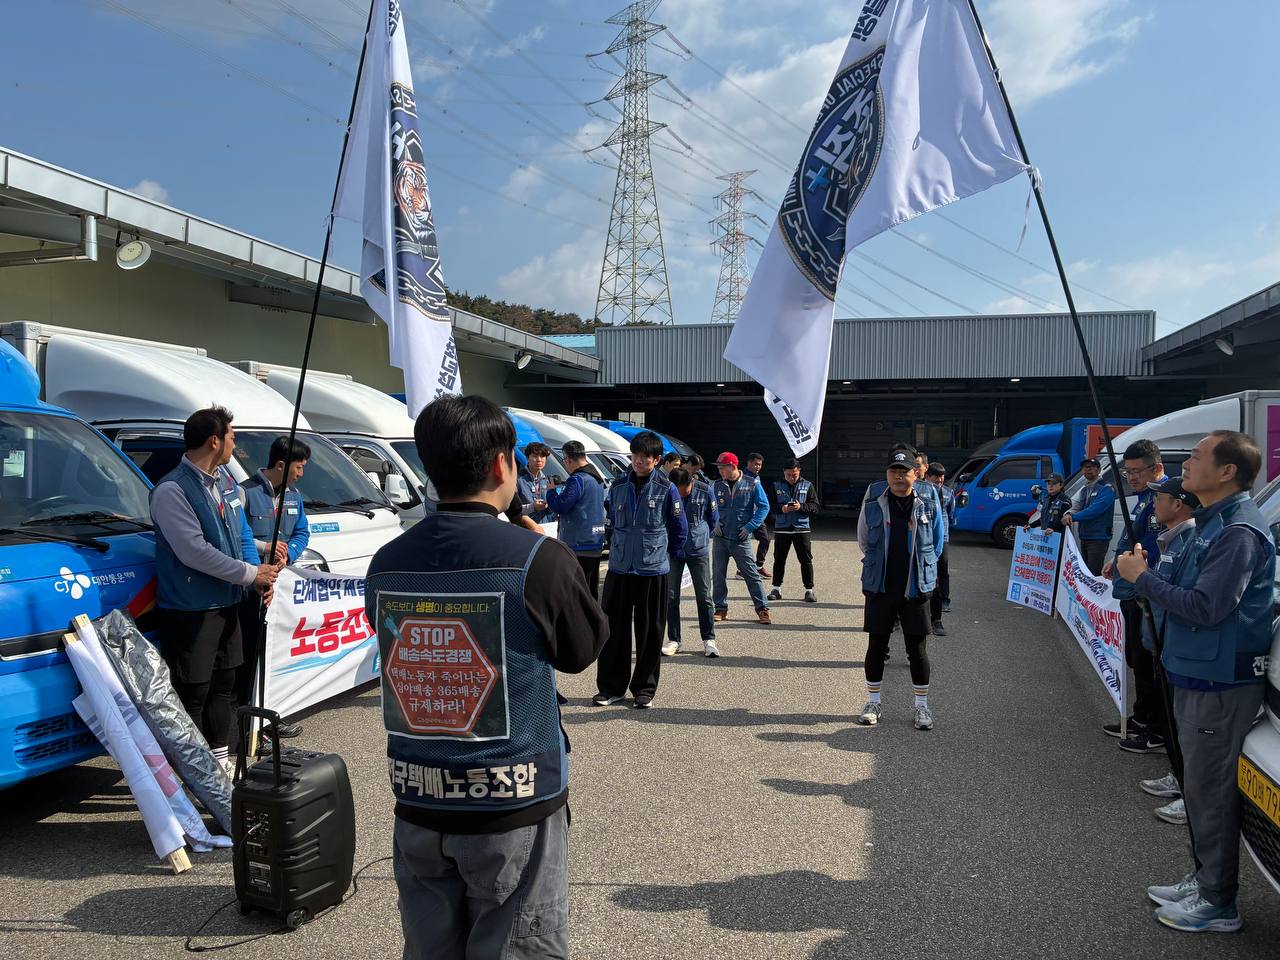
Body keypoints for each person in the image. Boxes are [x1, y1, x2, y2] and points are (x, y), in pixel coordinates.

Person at [365, 395, 608, 960]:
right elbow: (580, 652)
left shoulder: (386, 561)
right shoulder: (538, 558)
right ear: (502, 466)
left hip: (418, 795)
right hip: (514, 799)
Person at [1118, 430, 1276, 933]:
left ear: (1228, 471)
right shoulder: (1211, 523)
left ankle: (1218, 902)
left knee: (1208, 792)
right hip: (1194, 671)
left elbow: (1208, 607)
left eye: (1199, 456)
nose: (1185, 464)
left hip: (1219, 681)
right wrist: (1148, 576)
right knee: (1201, 787)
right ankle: (1205, 877)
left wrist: (1143, 580)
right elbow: (1183, 590)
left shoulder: (1237, 533)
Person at [149, 407, 278, 774]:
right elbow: (194, 552)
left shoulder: (227, 484)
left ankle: (219, 761)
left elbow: (241, 537)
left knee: (225, 684)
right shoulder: (172, 490)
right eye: (232, 437)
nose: (235, 444)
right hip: (190, 609)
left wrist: (260, 576)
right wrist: (249, 574)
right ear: (214, 441)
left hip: (228, 603)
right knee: (193, 691)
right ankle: (190, 769)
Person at [594, 430, 688, 708]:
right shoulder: (619, 486)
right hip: (620, 569)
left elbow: (679, 530)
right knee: (613, 630)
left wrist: (661, 556)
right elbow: (611, 521)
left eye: (644, 457)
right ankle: (611, 688)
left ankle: (644, 689)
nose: (638, 461)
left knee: (650, 632)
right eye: (634, 455)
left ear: (657, 459)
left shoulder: (667, 489)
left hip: (652, 571)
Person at [856, 448, 946, 730]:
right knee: (876, 645)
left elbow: (938, 541)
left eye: (904, 471)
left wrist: (923, 567)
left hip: (916, 586)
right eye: (893, 471)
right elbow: (863, 537)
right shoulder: (873, 494)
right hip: (881, 585)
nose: (898, 477)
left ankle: (922, 707)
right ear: (887, 474)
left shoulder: (929, 496)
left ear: (914, 474)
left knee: (917, 649)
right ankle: (873, 701)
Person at [1133, 476, 1201, 828]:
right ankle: (1178, 775)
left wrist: (1142, 577)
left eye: (1159, 498)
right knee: (1176, 719)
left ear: (1178, 504)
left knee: (1189, 726)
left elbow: (1186, 598)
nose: (1153, 505)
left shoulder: (1191, 538)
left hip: (1176, 642)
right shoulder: (1171, 539)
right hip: (1161, 639)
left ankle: (1191, 794)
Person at [237, 435, 312, 740]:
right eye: (299, 467)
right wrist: (264, 547)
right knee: (248, 660)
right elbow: (234, 539)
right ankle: (247, 728)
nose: (301, 473)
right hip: (249, 592)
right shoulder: (244, 493)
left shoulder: (294, 497)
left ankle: (268, 718)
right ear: (281, 464)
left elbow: (303, 533)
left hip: (279, 593)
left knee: (272, 657)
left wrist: (288, 554)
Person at [1104, 439, 1168, 754]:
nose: (1131, 477)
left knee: (1146, 662)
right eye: (1126, 472)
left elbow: (1152, 553)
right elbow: (1135, 541)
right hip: (1131, 589)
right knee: (1136, 658)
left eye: (1137, 471)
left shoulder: (1163, 501)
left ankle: (1153, 727)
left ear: (1156, 468)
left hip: (1145, 594)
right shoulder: (1145, 497)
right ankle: (1141, 718)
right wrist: (1115, 561)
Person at [663, 467, 720, 657]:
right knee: (671, 597)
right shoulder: (666, 491)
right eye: (676, 490)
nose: (680, 494)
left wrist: (700, 537)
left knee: (704, 596)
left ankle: (709, 639)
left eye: (684, 490)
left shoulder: (705, 491)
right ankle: (674, 639)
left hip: (698, 551)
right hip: (673, 551)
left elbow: (713, 520)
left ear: (691, 483)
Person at [712, 452, 772, 625]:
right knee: (718, 575)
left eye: (722, 468)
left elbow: (764, 506)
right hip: (720, 538)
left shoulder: (751, 484)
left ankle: (762, 609)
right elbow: (709, 506)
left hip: (741, 538)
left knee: (752, 575)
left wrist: (750, 526)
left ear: (732, 466)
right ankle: (720, 609)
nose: (720, 471)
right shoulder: (716, 486)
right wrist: (713, 522)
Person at [546, 440, 606, 597]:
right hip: (595, 540)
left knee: (577, 592)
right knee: (591, 591)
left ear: (569, 459)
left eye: (565, 461)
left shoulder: (578, 479)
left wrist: (551, 491)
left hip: (579, 543)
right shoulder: (597, 478)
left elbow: (560, 506)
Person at [768, 458, 819, 603]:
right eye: (788, 474)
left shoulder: (808, 485)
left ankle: (809, 590)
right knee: (779, 559)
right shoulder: (776, 485)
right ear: (784, 473)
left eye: (794, 474)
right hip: (782, 529)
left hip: (801, 529)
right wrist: (781, 509)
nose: (791, 477)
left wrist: (800, 507)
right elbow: (769, 506)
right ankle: (776, 589)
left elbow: (815, 506)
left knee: (805, 560)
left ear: (799, 471)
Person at [1062, 456, 1115, 575]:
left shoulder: (1107, 488)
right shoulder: (1084, 490)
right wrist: (1069, 513)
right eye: (1085, 468)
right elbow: (1076, 506)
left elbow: (1094, 510)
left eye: (1091, 467)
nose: (1088, 470)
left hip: (1098, 538)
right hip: (1085, 537)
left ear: (1099, 470)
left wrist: (1073, 517)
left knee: (1093, 573)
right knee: (1085, 573)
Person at [926, 462, 954, 634]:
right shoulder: (921, 492)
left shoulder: (948, 493)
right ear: (927, 476)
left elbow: (950, 513)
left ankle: (945, 600)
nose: (940, 480)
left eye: (942, 476)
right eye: (936, 476)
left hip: (942, 537)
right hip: (925, 537)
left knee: (942, 569)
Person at [744, 452, 771, 578]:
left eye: (760, 464)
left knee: (765, 539)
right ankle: (742, 570)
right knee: (744, 544)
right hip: (746, 516)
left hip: (757, 515)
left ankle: (759, 566)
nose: (758, 467)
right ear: (749, 463)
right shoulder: (743, 477)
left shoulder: (757, 477)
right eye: (755, 464)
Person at [518, 442, 554, 525]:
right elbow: (511, 510)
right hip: (526, 529)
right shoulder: (518, 479)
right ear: (527, 458)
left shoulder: (547, 480)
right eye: (535, 456)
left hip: (546, 527)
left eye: (542, 456)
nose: (539, 460)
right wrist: (532, 507)